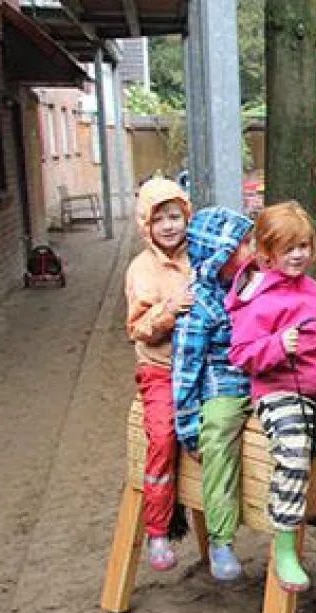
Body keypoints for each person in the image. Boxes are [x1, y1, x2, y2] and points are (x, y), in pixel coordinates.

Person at [227, 201, 316, 593]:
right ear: (267, 253)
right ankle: (285, 545)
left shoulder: (314, 290)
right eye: (288, 249)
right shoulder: (258, 299)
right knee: (294, 448)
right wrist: (278, 345)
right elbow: (241, 354)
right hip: (279, 391)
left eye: (303, 246)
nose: (298, 255)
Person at [171, 206, 256, 581]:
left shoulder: (252, 286)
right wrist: (189, 426)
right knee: (219, 437)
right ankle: (221, 539)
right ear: (218, 254)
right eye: (243, 244)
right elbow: (185, 369)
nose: (252, 250)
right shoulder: (198, 306)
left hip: (263, 375)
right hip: (224, 386)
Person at [124, 177, 192, 571]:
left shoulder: (198, 256)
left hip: (199, 367)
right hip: (161, 369)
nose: (168, 226)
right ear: (145, 225)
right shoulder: (142, 269)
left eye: (174, 217)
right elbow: (138, 327)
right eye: (158, 219)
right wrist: (170, 310)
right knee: (163, 437)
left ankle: (223, 531)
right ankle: (158, 529)